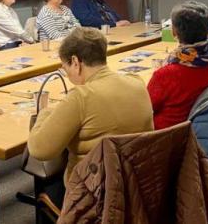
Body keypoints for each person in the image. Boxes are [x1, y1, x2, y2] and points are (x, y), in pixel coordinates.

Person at [27, 27, 154, 185]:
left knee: (53, 181)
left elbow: (39, 150)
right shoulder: (137, 82)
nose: (67, 74)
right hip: (138, 185)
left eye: (65, 68)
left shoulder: (80, 97)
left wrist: (44, 113)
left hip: (92, 195)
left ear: (75, 62)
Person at [148, 1, 208, 130]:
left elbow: (146, 108)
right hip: (205, 134)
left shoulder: (165, 75)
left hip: (168, 139)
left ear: (174, 32)